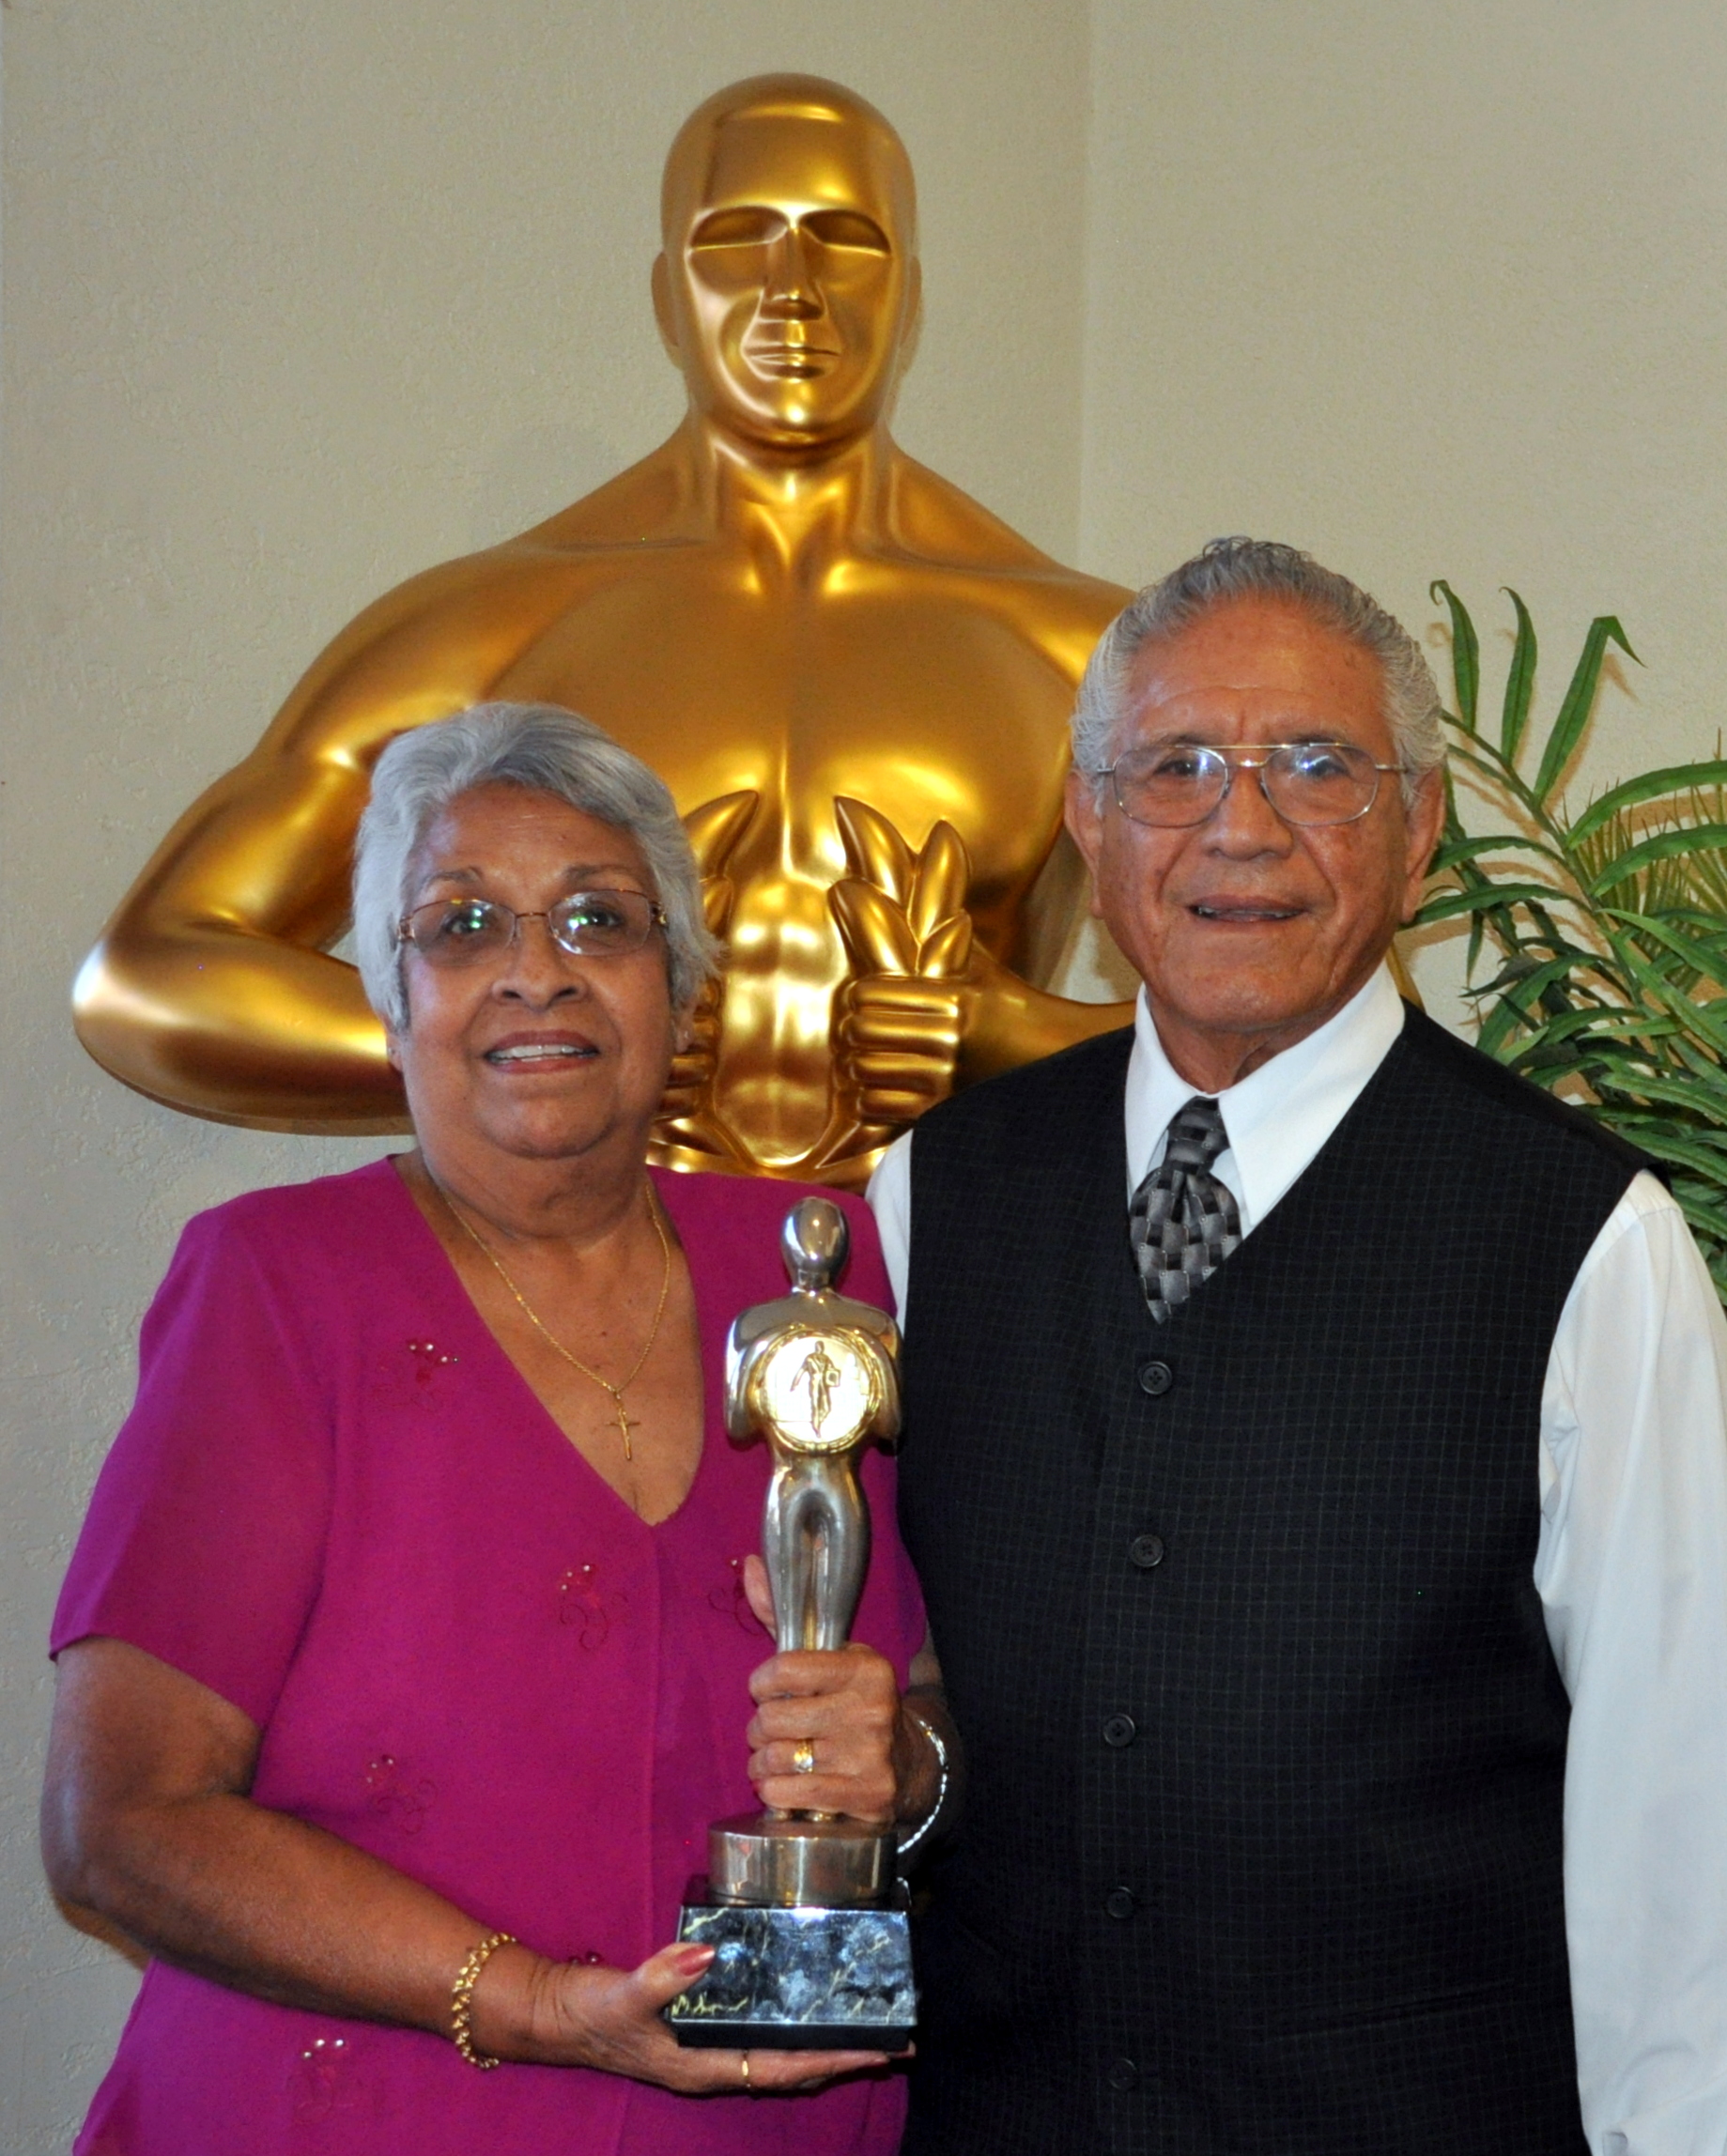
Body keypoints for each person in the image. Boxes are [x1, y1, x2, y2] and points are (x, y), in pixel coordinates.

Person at [869, 539, 1727, 2154]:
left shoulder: (1585, 1242)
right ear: (1087, 822)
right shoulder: (930, 1194)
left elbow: (1678, 1832)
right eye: (1174, 766)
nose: (1239, 825)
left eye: (1317, 766)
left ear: (1416, 832)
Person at [42, 703, 955, 2156]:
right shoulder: (277, 1284)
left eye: (599, 918)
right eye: (463, 924)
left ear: (680, 986)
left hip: (762, 2120)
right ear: (392, 998)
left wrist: (901, 1765)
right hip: (350, 2118)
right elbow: (121, 1827)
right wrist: (538, 2004)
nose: (538, 970)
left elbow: (930, 1710)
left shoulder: (819, 1268)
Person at [71, 72, 1132, 1186]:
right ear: (669, 297)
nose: (793, 292)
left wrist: (1007, 1041)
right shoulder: (491, 630)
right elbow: (148, 975)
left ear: (907, 296)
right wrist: (534, 1043)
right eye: (737, 241)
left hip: (951, 1273)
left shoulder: (1086, 652)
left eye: (845, 242)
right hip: (583, 1273)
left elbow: (1262, 1018)